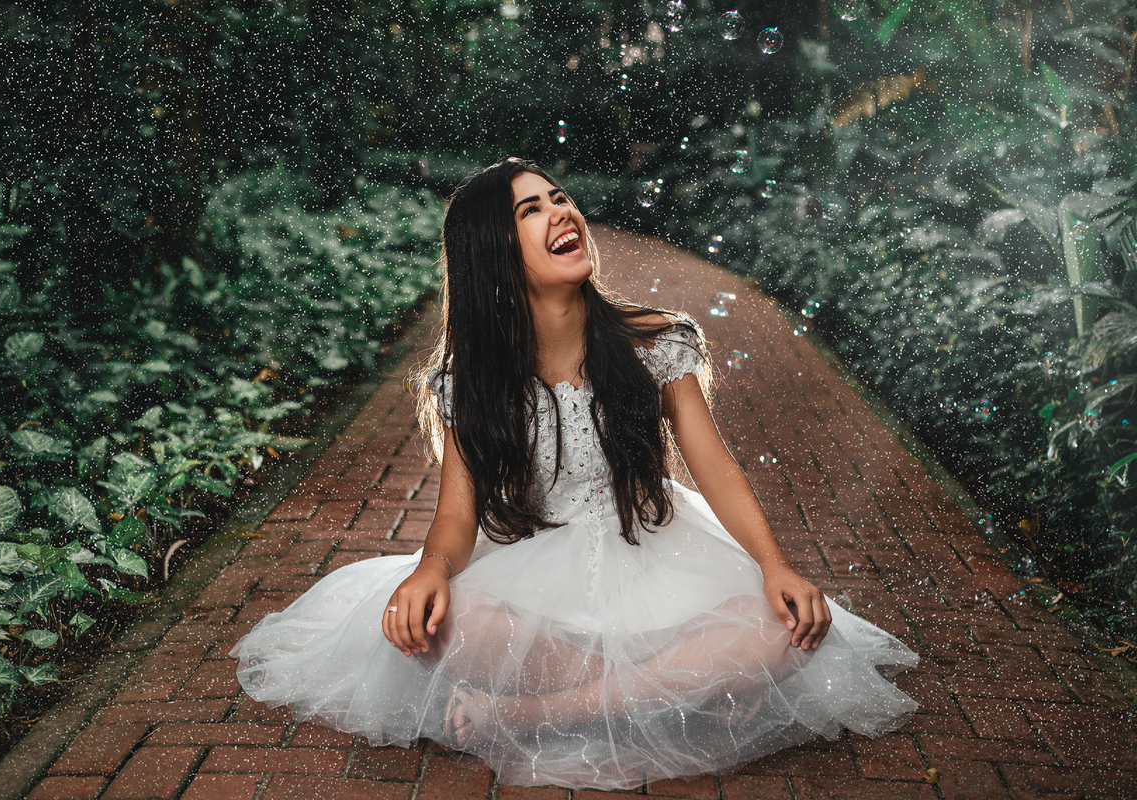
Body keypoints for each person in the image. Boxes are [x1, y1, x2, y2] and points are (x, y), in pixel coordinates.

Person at [230, 157, 918, 791]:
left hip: (652, 552)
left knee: (783, 630)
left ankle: (539, 713)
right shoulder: (467, 381)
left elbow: (717, 468)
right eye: (530, 210)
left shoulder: (655, 339)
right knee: (445, 625)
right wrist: (432, 570)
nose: (561, 211)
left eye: (559, 198)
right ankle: (687, 689)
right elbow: (456, 516)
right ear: (492, 253)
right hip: (532, 568)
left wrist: (775, 566)